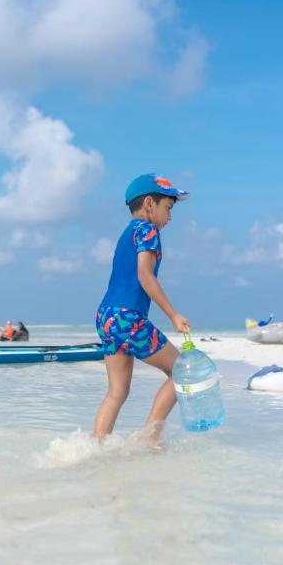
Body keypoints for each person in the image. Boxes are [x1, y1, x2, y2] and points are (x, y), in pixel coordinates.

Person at [93, 173, 190, 446]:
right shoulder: (148, 231)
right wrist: (173, 314)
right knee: (180, 370)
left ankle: (96, 448)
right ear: (149, 203)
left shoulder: (127, 234)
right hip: (127, 317)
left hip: (106, 316)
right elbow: (145, 276)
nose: (169, 217)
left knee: (117, 392)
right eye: (168, 208)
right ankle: (150, 439)